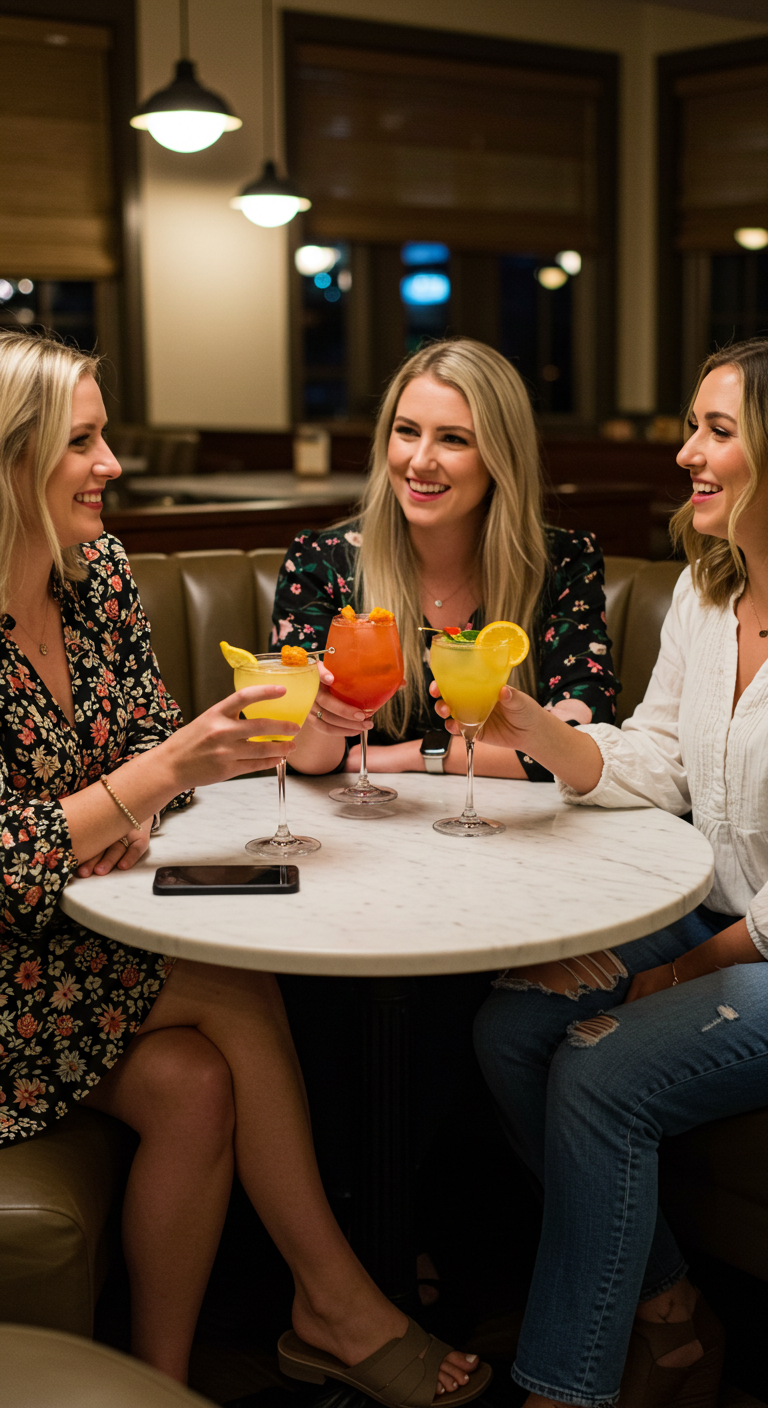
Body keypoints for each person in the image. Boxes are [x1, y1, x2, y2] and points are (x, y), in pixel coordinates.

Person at [0, 329, 489, 1401]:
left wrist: (119, 799)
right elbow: (27, 851)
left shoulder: (102, 575)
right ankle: (337, 1303)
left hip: (69, 946)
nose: (113, 464)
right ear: (12, 460)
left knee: (196, 1083)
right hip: (11, 973)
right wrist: (137, 787)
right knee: (232, 985)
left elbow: (138, 764)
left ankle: (159, 1380)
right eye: (84, 441)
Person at [432, 338, 768, 1408]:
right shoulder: (709, 597)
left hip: (751, 949)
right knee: (510, 1027)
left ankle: (564, 1390)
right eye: (691, 427)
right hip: (703, 917)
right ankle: (672, 1313)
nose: (685, 455)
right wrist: (530, 722)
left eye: (716, 430)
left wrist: (674, 976)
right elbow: (660, 759)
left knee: (600, 1069)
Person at [272, 338, 617, 780]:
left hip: (512, 835)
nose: (420, 460)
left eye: (453, 439)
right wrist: (321, 718)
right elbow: (306, 757)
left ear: (501, 457)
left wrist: (417, 755)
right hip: (362, 829)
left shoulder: (564, 563)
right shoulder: (320, 563)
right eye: (407, 431)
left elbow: (581, 737)